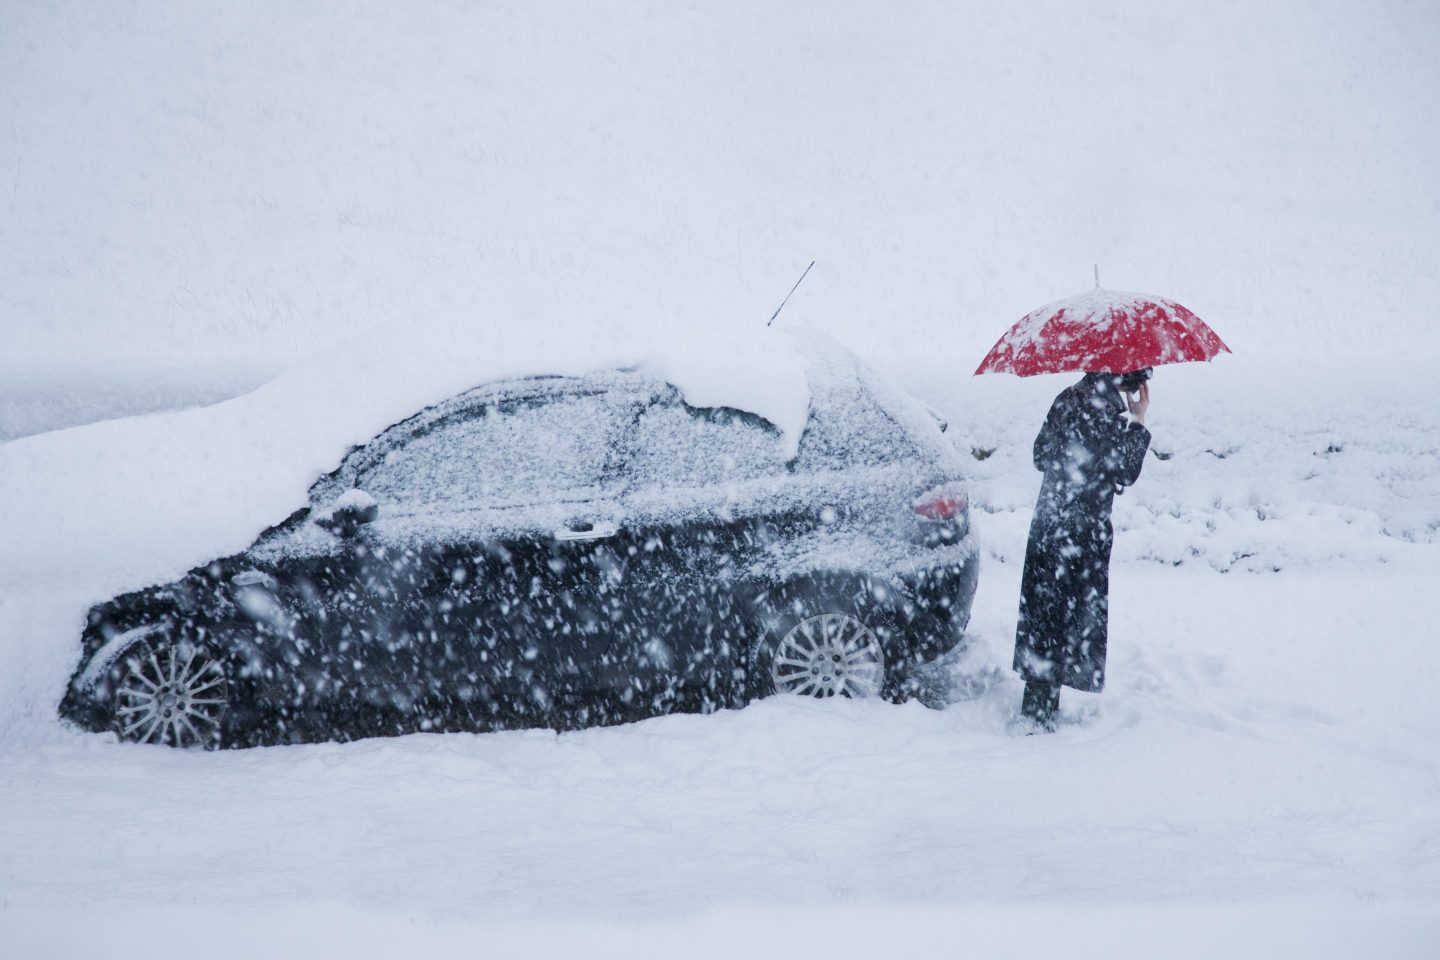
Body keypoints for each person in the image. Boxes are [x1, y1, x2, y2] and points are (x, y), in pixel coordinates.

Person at [1013, 367, 1152, 731]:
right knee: (1068, 618)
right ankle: (1039, 716)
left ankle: (1038, 705)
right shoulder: (1104, 411)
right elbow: (1124, 471)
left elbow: (1040, 456)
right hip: (1082, 531)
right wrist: (1137, 422)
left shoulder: (1067, 397)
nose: (1139, 384)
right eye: (1136, 376)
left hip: (1049, 523)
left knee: (1046, 614)